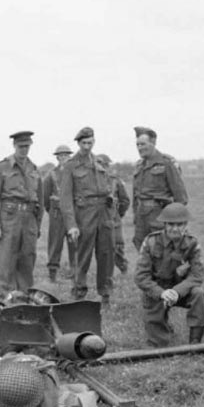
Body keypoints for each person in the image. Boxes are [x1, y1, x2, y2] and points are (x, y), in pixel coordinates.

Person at [134, 203, 204, 346]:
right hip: (156, 291)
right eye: (171, 224)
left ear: (186, 225)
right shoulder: (150, 242)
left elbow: (197, 276)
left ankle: (195, 342)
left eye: (179, 224)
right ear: (164, 224)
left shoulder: (192, 243)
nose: (175, 228)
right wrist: (162, 293)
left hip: (182, 290)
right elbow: (141, 276)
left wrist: (176, 292)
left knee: (199, 294)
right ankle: (164, 329)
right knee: (158, 344)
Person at [59, 127, 114, 305]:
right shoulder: (71, 165)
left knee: (106, 253)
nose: (87, 147)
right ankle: (79, 291)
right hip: (84, 214)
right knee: (83, 255)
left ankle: (105, 292)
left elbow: (108, 187)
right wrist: (71, 225)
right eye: (84, 143)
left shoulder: (99, 162)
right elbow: (65, 198)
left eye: (90, 143)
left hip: (103, 213)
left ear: (94, 142)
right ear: (78, 143)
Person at [0, 131, 43, 291]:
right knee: (7, 258)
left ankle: (25, 293)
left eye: (27, 146)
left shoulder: (34, 169)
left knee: (27, 257)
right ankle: (8, 294)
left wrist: (37, 225)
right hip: (9, 218)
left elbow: (40, 200)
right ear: (14, 146)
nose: (24, 150)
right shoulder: (2, 167)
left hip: (29, 218)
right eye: (21, 146)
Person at [131, 127, 187, 250]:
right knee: (142, 249)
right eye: (138, 144)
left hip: (159, 217)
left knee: (162, 250)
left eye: (143, 144)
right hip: (141, 218)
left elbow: (181, 197)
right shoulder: (139, 165)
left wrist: (174, 223)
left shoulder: (167, 163)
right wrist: (136, 216)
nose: (140, 148)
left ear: (153, 143)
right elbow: (135, 195)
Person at [43, 144, 76, 282]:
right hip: (56, 214)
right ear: (57, 157)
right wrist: (52, 209)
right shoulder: (51, 175)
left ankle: (75, 272)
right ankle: (52, 274)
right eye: (61, 155)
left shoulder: (76, 172)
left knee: (74, 244)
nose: (63, 158)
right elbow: (45, 197)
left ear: (70, 157)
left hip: (73, 214)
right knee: (55, 245)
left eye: (66, 155)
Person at [96, 154, 130, 275]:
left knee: (117, 245)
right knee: (102, 247)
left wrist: (117, 214)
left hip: (113, 218)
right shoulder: (91, 180)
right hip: (96, 218)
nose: (101, 167)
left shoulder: (115, 181)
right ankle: (105, 273)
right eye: (98, 163)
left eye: (103, 164)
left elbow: (125, 200)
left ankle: (123, 267)